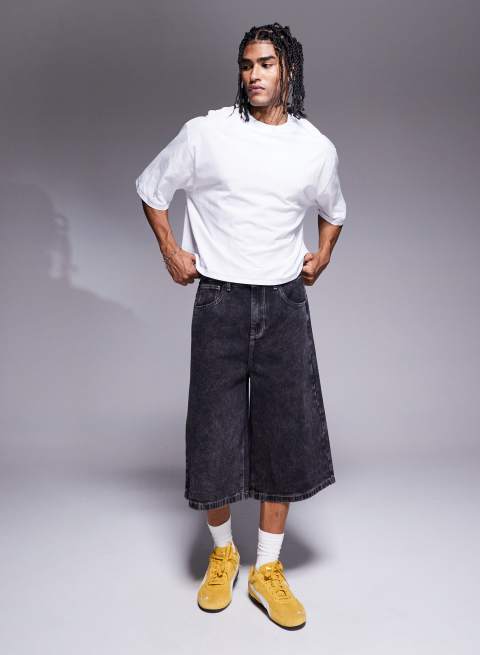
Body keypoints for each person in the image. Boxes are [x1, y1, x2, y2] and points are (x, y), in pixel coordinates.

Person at [135, 22, 347, 630]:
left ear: (289, 72)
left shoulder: (315, 148)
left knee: (285, 431)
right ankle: (224, 553)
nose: (253, 75)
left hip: (284, 305)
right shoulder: (206, 133)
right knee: (214, 432)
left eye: (266, 64)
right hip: (220, 301)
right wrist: (170, 250)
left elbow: (334, 212)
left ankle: (268, 569)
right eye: (247, 64)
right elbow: (152, 188)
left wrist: (322, 255)